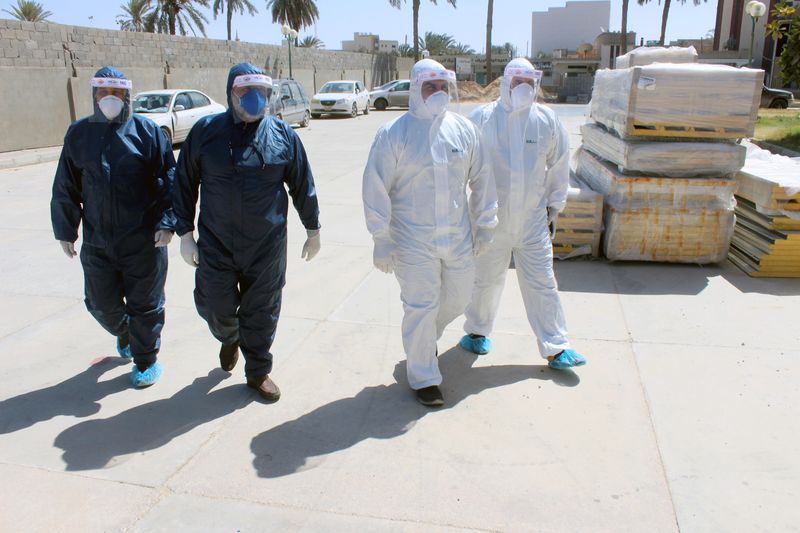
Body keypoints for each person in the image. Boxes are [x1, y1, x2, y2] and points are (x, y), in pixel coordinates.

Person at [173, 63, 321, 403]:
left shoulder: (283, 136)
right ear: (230, 92)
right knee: (215, 305)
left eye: (261, 92)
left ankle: (258, 371)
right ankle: (229, 336)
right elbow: (183, 183)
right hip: (217, 243)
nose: (254, 99)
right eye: (246, 91)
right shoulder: (206, 133)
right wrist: (184, 232)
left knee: (263, 308)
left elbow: (302, 184)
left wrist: (313, 229)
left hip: (265, 245)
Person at [363, 59, 498, 407]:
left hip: (456, 236)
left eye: (442, 87)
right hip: (411, 240)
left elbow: (482, 178)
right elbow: (375, 186)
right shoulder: (394, 133)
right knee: (421, 304)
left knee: (459, 296)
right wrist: (381, 238)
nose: (438, 93)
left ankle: (423, 340)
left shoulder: (464, 131)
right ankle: (424, 376)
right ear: (415, 89)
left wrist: (485, 224)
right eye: (430, 86)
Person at [51, 66, 176, 387]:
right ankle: (124, 331)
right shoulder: (78, 135)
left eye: (117, 93)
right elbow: (66, 187)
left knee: (146, 305)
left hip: (143, 241)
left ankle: (146, 360)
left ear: (127, 96)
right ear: (94, 95)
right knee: (99, 303)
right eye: (104, 93)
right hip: (98, 242)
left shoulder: (147, 133)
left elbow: (169, 181)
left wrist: (167, 222)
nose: (110, 99)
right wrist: (66, 229)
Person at [459, 58, 587, 370]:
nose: (524, 88)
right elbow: (461, 166)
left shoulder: (546, 121)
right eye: (518, 81)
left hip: (532, 222)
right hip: (491, 221)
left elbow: (559, 166)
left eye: (529, 82)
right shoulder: (482, 119)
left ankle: (556, 347)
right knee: (486, 281)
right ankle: (476, 331)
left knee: (543, 282)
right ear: (505, 83)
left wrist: (554, 208)